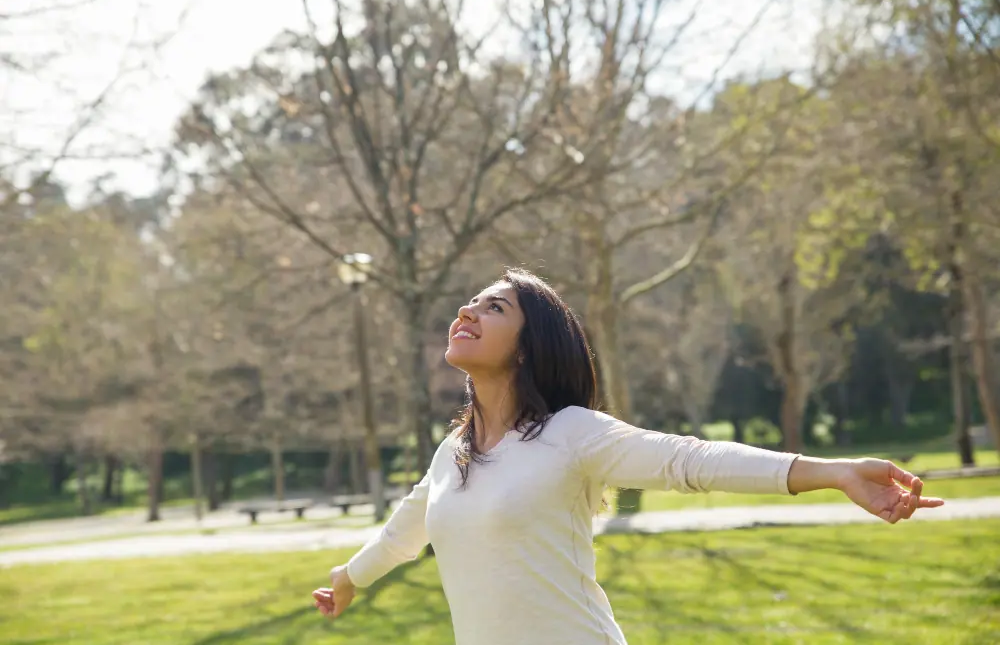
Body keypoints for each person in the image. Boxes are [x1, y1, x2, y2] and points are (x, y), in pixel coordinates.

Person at [312, 268, 944, 645]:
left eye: (493, 306)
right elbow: (404, 533)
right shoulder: (453, 454)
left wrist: (831, 472)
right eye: (470, 302)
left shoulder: (570, 434)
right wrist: (347, 581)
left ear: (530, 347)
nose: (467, 309)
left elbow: (689, 461)